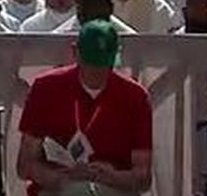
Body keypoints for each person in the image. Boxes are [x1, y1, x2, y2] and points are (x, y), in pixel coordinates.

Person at [16, 19, 153, 196]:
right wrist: (62, 177)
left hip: (113, 188)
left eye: (103, 64)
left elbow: (143, 178)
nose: (97, 71)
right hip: (57, 187)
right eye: (91, 63)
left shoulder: (136, 97)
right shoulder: (46, 87)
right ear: (75, 53)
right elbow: (24, 165)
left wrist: (107, 176)